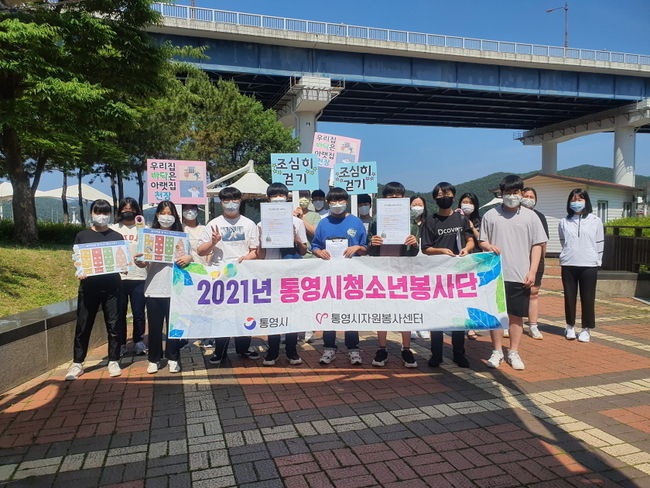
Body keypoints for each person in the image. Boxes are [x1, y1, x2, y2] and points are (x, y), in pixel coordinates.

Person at [478, 175, 547, 370]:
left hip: (520, 275)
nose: (512, 196)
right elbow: (482, 241)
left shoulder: (531, 217)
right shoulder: (490, 215)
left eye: (515, 192)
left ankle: (514, 351)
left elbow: (537, 245)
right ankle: (497, 351)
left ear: (521, 193)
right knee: (496, 315)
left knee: (516, 316)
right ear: (502, 194)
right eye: (508, 192)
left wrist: (532, 271)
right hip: (495, 274)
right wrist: (488, 246)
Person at [197, 187, 260, 364]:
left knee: (244, 312)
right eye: (226, 200)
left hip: (243, 276)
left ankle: (243, 347)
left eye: (234, 199)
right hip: (220, 277)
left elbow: (255, 251)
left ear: (240, 201)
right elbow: (201, 251)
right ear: (221, 202)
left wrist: (247, 258)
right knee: (221, 314)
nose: (231, 203)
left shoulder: (249, 224)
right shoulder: (213, 224)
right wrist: (213, 242)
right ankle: (220, 351)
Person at [66, 199, 125, 380]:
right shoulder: (82, 236)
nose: (101, 216)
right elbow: (77, 259)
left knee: (114, 325)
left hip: (112, 287)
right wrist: (80, 270)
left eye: (105, 212)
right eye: (98, 212)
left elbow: (122, 259)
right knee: (83, 325)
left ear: (110, 214)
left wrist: (123, 266)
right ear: (91, 213)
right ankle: (77, 362)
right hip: (89, 287)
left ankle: (113, 360)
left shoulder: (116, 236)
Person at [311, 187, 367, 365]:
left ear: (346, 201)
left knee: (351, 311)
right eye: (333, 201)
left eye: (340, 200)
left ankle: (353, 349)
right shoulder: (323, 223)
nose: (337, 204)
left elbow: (366, 248)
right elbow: (315, 245)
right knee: (330, 311)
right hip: (329, 276)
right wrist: (319, 252)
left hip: (351, 276)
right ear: (328, 203)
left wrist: (357, 247)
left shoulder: (356, 222)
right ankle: (329, 348)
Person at [135, 201, 192, 374]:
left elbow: (190, 258)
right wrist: (139, 261)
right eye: (163, 213)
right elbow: (143, 262)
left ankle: (173, 358)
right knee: (155, 327)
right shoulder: (148, 236)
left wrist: (189, 258)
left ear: (175, 216)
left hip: (176, 289)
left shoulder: (182, 236)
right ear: (157, 215)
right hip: (154, 288)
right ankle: (154, 359)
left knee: (174, 327)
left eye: (170, 213)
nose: (166, 217)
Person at [366, 182, 419, 368]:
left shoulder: (411, 221)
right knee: (382, 310)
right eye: (390, 197)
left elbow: (414, 253)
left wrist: (414, 244)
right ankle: (382, 348)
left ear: (404, 199)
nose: (395, 199)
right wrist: (372, 243)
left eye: (398, 197)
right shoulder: (375, 221)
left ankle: (406, 349)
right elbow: (369, 249)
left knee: (405, 310)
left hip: (402, 271)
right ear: (384, 199)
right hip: (381, 271)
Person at [421, 182, 474, 368]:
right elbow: (426, 248)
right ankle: (436, 354)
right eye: (440, 195)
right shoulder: (430, 221)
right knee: (437, 314)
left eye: (448, 194)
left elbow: (470, 240)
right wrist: (441, 250)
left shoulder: (461, 219)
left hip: (459, 275)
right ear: (435, 198)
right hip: (438, 275)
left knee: (458, 315)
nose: (444, 197)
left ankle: (459, 353)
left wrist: (467, 249)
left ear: (453, 196)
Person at [258, 183, 308, 366]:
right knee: (272, 312)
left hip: (291, 273)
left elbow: (303, 251)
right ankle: (272, 350)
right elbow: (260, 254)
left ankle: (291, 350)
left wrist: (296, 239)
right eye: (274, 195)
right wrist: (262, 240)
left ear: (287, 198)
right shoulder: (261, 224)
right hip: (271, 273)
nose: (278, 198)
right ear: (268, 199)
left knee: (291, 312)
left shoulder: (297, 222)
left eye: (282, 195)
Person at [559, 189, 604, 343]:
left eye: (580, 199)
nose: (576, 202)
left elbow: (600, 242)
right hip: (568, 264)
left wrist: (598, 261)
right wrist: (567, 254)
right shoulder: (564, 222)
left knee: (588, 298)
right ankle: (570, 326)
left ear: (586, 201)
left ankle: (586, 328)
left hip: (589, 264)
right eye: (573, 199)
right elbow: (563, 241)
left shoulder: (595, 220)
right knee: (569, 297)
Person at [110, 197, 147, 356]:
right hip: (118, 278)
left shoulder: (144, 228)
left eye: (131, 210)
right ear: (120, 211)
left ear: (137, 211)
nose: (128, 212)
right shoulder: (112, 229)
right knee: (119, 313)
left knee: (139, 313)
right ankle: (121, 343)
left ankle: (138, 340)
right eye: (125, 210)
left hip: (140, 277)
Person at [521, 188, 549, 340]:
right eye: (526, 196)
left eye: (532, 197)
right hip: (518, 259)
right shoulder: (515, 214)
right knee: (512, 293)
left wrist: (541, 260)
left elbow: (543, 242)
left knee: (534, 293)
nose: (528, 199)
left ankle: (533, 325)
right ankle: (508, 324)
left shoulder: (540, 217)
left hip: (536, 260)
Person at [458, 192, 482, 340]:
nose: (467, 205)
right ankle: (462, 323)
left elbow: (482, 240)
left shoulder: (480, 220)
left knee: (474, 294)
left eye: (470, 202)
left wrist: (472, 227)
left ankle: (471, 326)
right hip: (460, 260)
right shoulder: (456, 218)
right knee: (461, 293)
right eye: (464, 202)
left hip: (476, 260)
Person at [409, 195, 430, 340]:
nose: (417, 207)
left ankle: (424, 326)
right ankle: (411, 326)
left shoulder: (428, 223)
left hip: (425, 263)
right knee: (410, 295)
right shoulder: (405, 223)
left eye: (420, 204)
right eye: (414, 204)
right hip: (409, 263)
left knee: (423, 295)